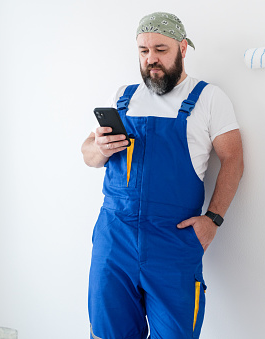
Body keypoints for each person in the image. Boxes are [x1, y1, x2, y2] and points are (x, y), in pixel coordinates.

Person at [81, 12, 244, 339]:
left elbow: (233, 159)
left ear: (183, 49)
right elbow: (89, 156)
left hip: (173, 240)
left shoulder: (209, 98)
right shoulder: (124, 98)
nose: (151, 59)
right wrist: (100, 146)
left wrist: (212, 219)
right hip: (114, 236)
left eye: (161, 49)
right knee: (108, 332)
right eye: (143, 51)